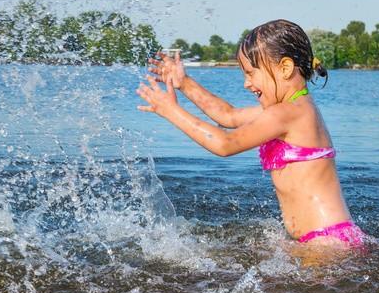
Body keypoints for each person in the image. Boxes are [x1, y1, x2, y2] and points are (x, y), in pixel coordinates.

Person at [136, 19, 366, 247]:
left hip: (326, 243)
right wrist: (184, 83)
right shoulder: (291, 109)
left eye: (251, 73)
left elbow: (225, 144)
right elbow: (229, 116)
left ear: (284, 68)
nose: (247, 84)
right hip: (321, 239)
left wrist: (171, 111)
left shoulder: (289, 113)